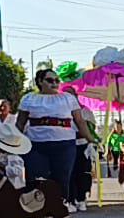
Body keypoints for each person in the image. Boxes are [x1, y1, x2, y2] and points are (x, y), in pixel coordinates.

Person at [16, 69, 93, 208]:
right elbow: (20, 123)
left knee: (62, 178)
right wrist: (13, 144)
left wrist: (91, 139)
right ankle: (39, 211)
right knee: (37, 178)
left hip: (64, 145)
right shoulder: (28, 98)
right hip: (36, 145)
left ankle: (59, 210)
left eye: (57, 81)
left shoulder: (68, 98)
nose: (55, 84)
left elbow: (79, 121)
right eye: (50, 80)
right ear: (39, 81)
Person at [62, 86, 98, 212]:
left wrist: (84, 134)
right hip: (67, 145)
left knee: (82, 172)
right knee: (69, 173)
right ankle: (70, 200)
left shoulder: (85, 111)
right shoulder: (60, 111)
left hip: (82, 145)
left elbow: (90, 129)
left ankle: (81, 198)